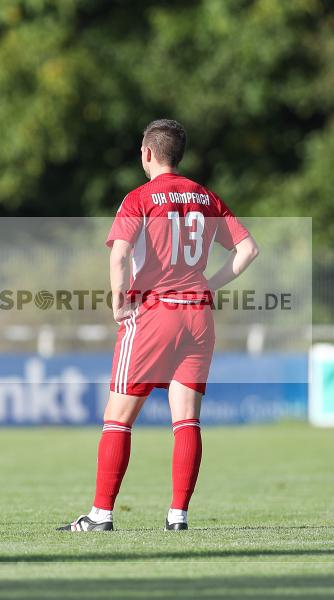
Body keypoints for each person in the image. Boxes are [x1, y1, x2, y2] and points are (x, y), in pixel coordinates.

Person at [57, 119, 259, 532]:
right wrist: (209, 284)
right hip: (198, 317)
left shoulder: (139, 198)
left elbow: (119, 255)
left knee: (118, 417)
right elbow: (248, 249)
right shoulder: (205, 197)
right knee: (186, 419)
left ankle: (100, 516)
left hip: (155, 313)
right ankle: (178, 516)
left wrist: (119, 300)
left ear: (147, 153)